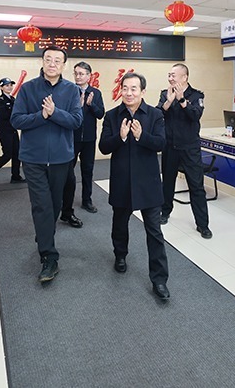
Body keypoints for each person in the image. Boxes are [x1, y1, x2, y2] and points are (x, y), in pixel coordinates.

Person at [11, 46, 82, 282]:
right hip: (33, 159)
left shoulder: (71, 90)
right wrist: (41, 116)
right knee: (41, 205)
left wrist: (54, 112)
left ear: (64, 65)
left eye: (57, 60)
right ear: (42, 62)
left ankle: (44, 234)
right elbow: (16, 120)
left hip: (61, 159)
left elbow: (76, 121)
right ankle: (49, 257)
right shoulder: (28, 88)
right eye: (48, 59)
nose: (52, 64)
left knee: (55, 204)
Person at [99, 72, 170, 300]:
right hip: (122, 181)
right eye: (125, 88)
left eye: (133, 89)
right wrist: (120, 137)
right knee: (119, 225)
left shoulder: (155, 115)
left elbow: (161, 143)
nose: (129, 93)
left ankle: (159, 279)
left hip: (148, 183)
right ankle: (120, 255)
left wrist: (142, 136)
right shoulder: (112, 116)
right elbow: (103, 147)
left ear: (142, 91)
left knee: (155, 232)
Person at [157, 63, 212, 239]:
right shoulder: (165, 94)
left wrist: (181, 100)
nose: (170, 78)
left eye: (173, 75)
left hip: (190, 148)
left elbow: (195, 115)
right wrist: (168, 101)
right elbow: (157, 115)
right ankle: (165, 212)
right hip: (169, 146)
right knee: (167, 183)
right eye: (169, 75)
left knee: (196, 186)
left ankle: (202, 224)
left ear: (185, 77)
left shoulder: (197, 95)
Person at [62, 61, 104, 217]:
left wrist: (91, 105)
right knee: (67, 172)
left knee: (87, 171)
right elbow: (63, 114)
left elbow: (100, 114)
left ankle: (87, 200)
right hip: (71, 138)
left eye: (81, 74)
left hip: (89, 139)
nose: (78, 77)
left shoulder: (96, 93)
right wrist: (78, 107)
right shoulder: (69, 91)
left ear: (89, 76)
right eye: (76, 73)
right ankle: (65, 201)